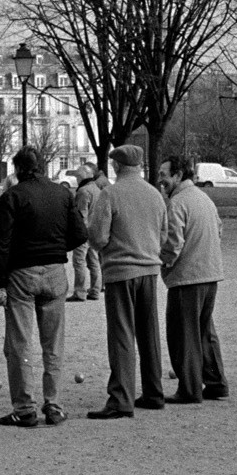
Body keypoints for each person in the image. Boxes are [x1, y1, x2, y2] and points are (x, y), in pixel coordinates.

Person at [0, 146, 82, 428]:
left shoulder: (11, 197)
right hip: (55, 270)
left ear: (17, 169)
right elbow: (80, 233)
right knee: (53, 343)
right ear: (41, 166)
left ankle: (24, 406)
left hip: (22, 272)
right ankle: (53, 403)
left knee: (19, 342)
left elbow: (2, 243)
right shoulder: (63, 193)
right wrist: (56, 248)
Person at [84, 144, 167, 419]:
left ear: (117, 166)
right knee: (149, 332)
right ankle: (154, 391)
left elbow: (97, 236)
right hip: (149, 270)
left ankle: (121, 398)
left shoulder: (111, 194)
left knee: (122, 334)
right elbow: (164, 234)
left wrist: (108, 248)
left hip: (120, 271)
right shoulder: (155, 195)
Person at [159, 158, 229, 403]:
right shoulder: (203, 199)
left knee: (183, 334)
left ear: (178, 175)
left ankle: (189, 389)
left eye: (164, 174)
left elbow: (172, 244)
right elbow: (219, 229)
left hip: (187, 278)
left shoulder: (177, 203)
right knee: (204, 331)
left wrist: (161, 261)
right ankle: (216, 382)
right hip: (210, 274)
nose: (161, 180)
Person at [69, 162, 105, 302]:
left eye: (78, 176)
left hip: (84, 232)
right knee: (94, 262)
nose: (77, 179)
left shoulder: (83, 191)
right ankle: (96, 290)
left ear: (82, 177)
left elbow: (81, 215)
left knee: (79, 262)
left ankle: (80, 291)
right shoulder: (97, 189)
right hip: (94, 230)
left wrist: (76, 232)